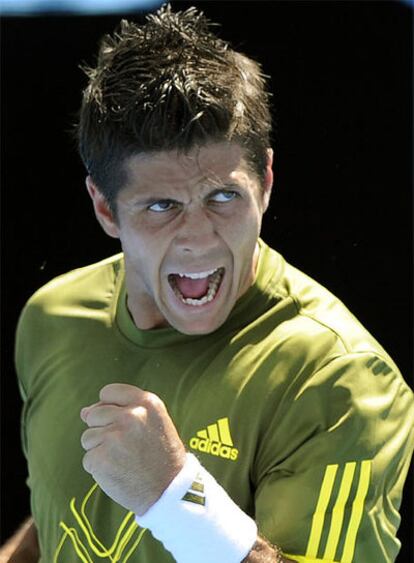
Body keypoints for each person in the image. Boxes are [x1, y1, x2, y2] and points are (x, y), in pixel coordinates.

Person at [2, 3, 413, 562]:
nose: (199, 238)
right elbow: (65, 513)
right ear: (104, 208)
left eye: (224, 196)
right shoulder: (51, 317)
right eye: (162, 205)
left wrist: (173, 499)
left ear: (265, 182)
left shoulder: (339, 381)